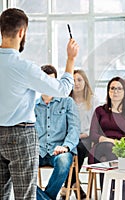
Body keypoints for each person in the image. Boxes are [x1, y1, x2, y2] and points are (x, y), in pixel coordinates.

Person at [0, 8, 78, 199]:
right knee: (25, 195)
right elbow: (62, 89)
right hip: (21, 135)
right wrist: (70, 59)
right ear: (22, 32)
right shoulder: (24, 67)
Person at [35, 65, 80, 200]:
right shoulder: (32, 104)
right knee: (17, 168)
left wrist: (65, 147)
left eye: (51, 81)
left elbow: (74, 128)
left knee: (63, 161)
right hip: (38, 151)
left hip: (60, 150)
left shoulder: (67, 102)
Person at [89, 76, 125, 199]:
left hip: (121, 152)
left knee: (107, 159)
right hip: (100, 147)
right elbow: (93, 134)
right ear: (108, 91)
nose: (115, 91)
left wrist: (119, 146)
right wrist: (111, 141)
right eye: (112, 88)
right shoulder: (100, 111)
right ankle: (123, 189)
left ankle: (108, 195)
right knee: (108, 147)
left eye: (119, 89)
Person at [61, 69, 100, 199]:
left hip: (87, 138)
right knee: (68, 153)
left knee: (79, 148)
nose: (76, 83)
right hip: (69, 138)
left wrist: (84, 134)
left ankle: (66, 187)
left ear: (85, 82)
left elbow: (97, 124)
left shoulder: (93, 100)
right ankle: (78, 189)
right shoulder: (66, 101)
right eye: (73, 80)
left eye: (79, 80)